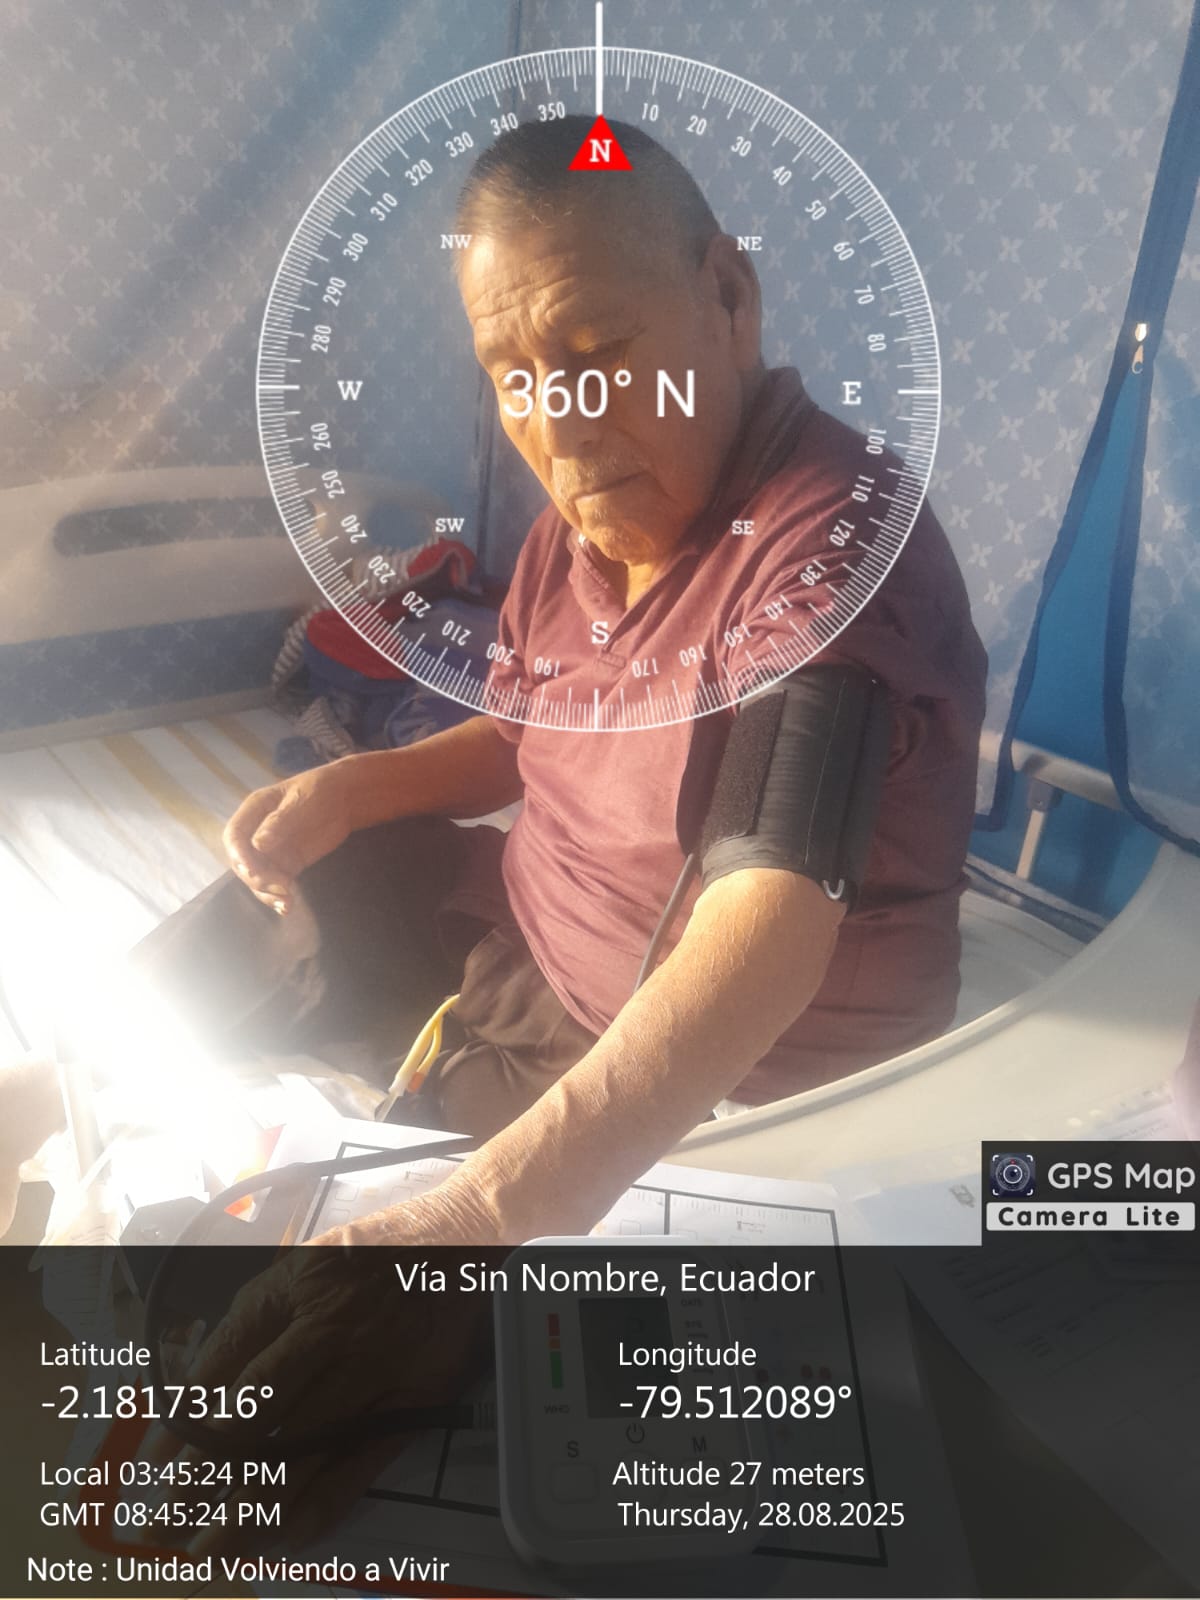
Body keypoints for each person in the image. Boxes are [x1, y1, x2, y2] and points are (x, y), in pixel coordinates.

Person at [0, 118, 986, 1246]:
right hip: (525, 937)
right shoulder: (583, 529)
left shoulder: (833, 544)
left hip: (701, 1056)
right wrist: (356, 787)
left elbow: (773, 911)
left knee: (349, 1281)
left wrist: (479, 1210)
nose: (557, 427)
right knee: (326, 871)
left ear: (728, 295)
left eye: (596, 351)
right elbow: (530, 730)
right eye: (515, 376)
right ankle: (44, 1089)